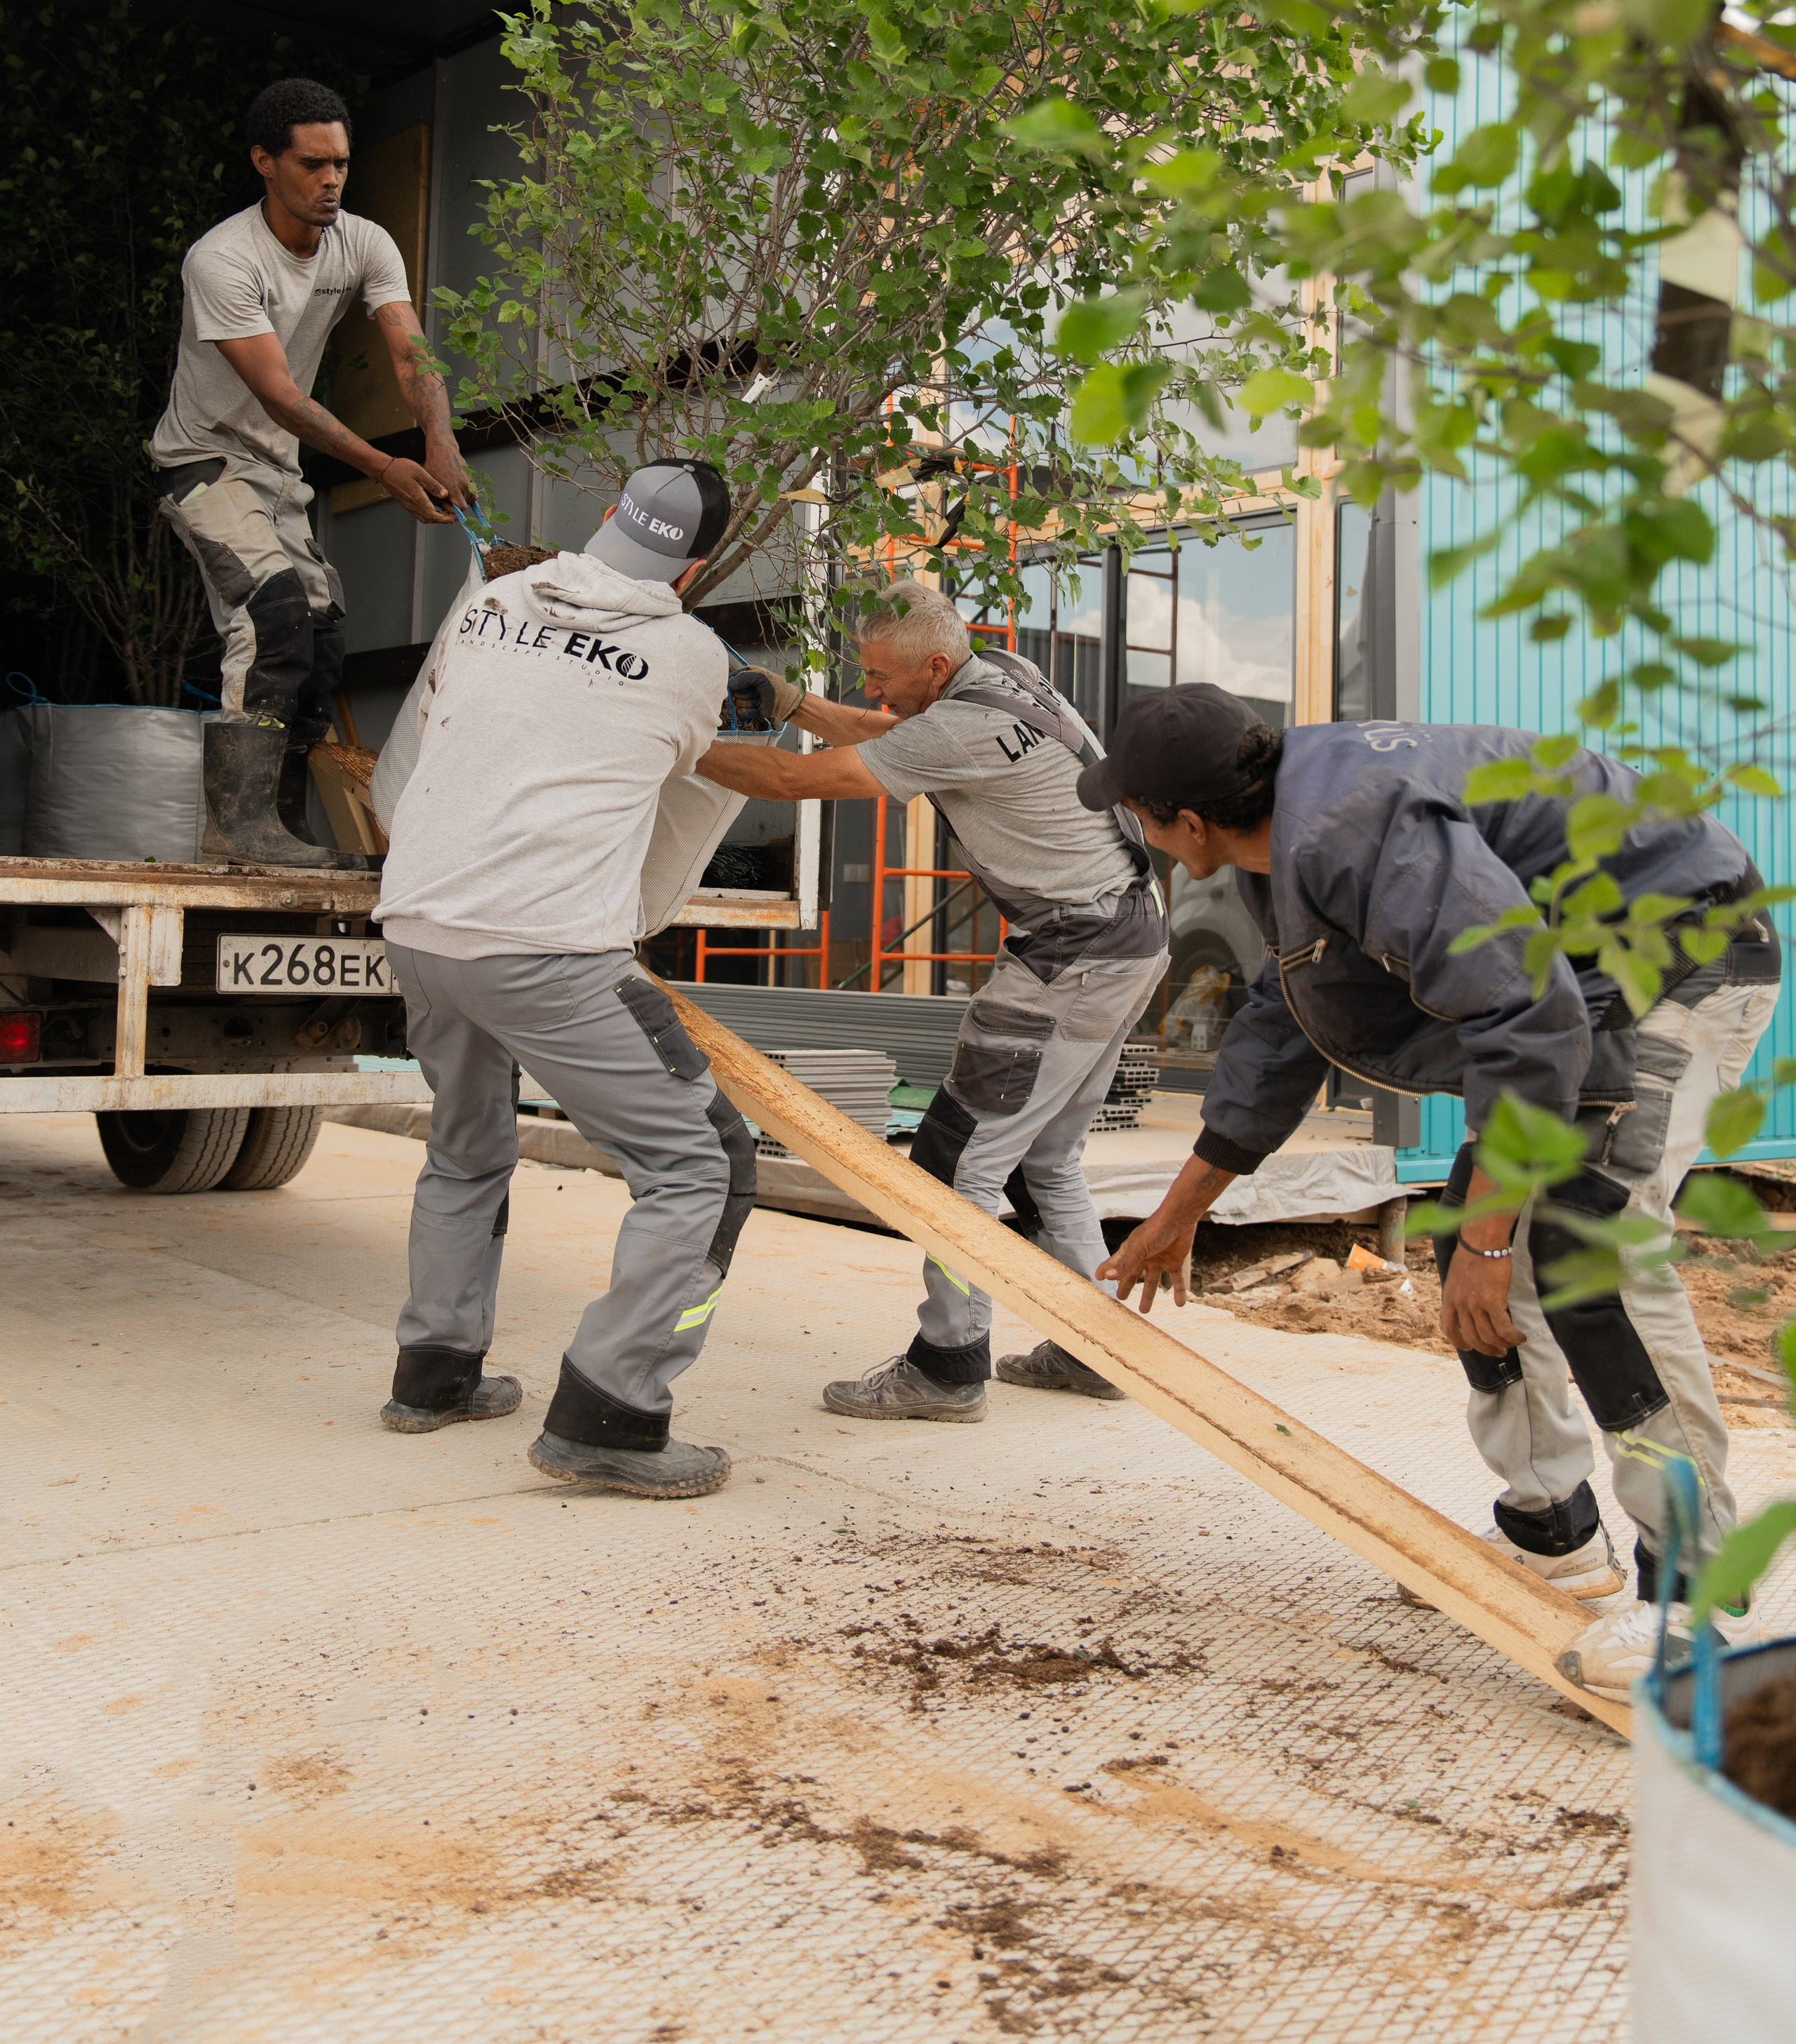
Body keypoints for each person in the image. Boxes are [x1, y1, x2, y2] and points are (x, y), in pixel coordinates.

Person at [1085, 684, 1781, 1705]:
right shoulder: (1277, 851)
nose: (1139, 833)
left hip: (1682, 956)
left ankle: (1693, 1601)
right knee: (1476, 1245)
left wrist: (1497, 1242)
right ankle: (1558, 1538)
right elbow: (1285, 1031)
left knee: (1585, 1253)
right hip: (1578, 984)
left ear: (1188, 823)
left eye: (1138, 815)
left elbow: (1525, 1016)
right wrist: (1178, 1212)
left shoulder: (1354, 827)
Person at [695, 581, 1169, 1421]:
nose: (871, 688)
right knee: (1043, 1157)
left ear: (936, 665)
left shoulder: (962, 720)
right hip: (1126, 935)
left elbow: (787, 781)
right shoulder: (1002, 674)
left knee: (956, 1159)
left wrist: (667, 741)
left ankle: (947, 1366)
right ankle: (1100, 1350)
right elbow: (895, 736)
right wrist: (797, 702)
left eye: (879, 673)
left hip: (1072, 954)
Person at [372, 459, 753, 1500]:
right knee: (701, 1164)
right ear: (700, 564)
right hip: (542, 950)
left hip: (419, 925)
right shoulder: (690, 656)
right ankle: (613, 1415)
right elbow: (684, 769)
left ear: (604, 520)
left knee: (464, 1149)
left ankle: (435, 1376)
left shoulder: (494, 600)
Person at [151, 76, 471, 868]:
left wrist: (442, 441)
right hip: (206, 462)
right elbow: (283, 398)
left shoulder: (363, 240)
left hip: (275, 471)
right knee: (273, 613)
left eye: (342, 165)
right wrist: (386, 467)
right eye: (311, 164)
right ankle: (237, 826)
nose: (331, 181)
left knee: (322, 640)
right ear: (265, 160)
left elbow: (409, 351)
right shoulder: (222, 261)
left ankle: (279, 829)